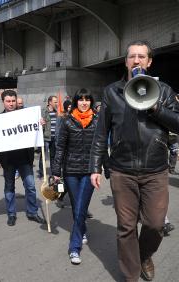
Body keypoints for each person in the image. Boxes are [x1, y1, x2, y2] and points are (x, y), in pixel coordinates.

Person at [90, 40, 179, 281]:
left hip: (155, 170)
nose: (136, 60)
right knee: (126, 227)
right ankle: (131, 275)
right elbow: (101, 133)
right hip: (122, 171)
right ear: (125, 61)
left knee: (155, 225)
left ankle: (143, 255)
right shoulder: (112, 91)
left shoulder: (163, 90)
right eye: (132, 56)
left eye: (141, 57)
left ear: (149, 62)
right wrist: (95, 167)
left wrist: (156, 108)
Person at [51, 89, 97, 265]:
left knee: (80, 207)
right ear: (76, 102)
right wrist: (56, 171)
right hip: (70, 171)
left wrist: (106, 168)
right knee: (78, 207)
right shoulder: (67, 121)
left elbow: (100, 146)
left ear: (91, 102)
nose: (84, 103)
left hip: (89, 172)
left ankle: (74, 247)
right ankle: (82, 229)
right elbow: (60, 147)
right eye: (81, 100)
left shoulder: (97, 120)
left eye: (87, 100)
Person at [0, 90, 45, 226]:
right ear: (3, 102)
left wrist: (40, 125)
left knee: (30, 186)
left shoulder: (27, 116)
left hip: (25, 158)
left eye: (13, 101)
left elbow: (35, 131)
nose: (11, 104)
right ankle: (11, 214)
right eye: (8, 101)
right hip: (7, 160)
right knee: (9, 187)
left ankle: (32, 212)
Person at [38, 95, 58, 178]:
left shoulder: (57, 111)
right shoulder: (43, 111)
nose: (56, 103)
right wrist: (40, 123)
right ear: (50, 102)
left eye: (57, 102)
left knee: (53, 156)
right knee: (43, 156)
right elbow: (39, 124)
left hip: (55, 137)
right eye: (55, 102)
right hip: (46, 137)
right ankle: (42, 172)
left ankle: (54, 172)